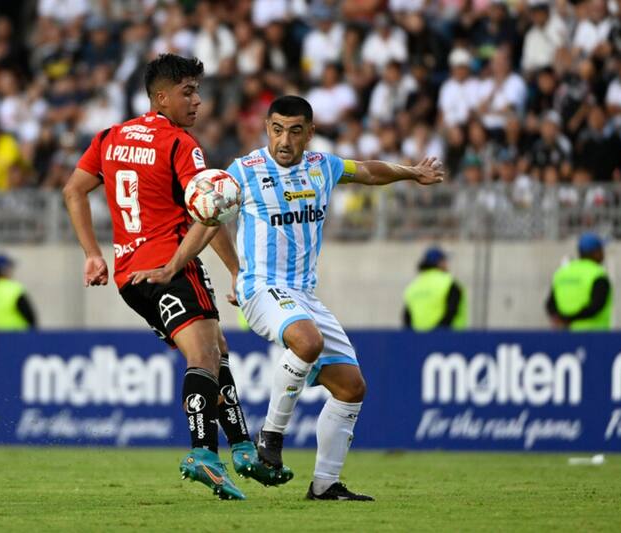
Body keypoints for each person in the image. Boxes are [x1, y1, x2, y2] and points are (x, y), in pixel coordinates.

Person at [132, 95, 444, 501]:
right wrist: (173, 267)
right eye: (277, 129)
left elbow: (367, 170)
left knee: (352, 388)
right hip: (260, 286)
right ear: (267, 128)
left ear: (309, 133)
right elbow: (207, 222)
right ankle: (271, 438)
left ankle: (325, 485)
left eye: (295, 131)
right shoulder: (243, 171)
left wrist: (410, 173)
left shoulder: (323, 167)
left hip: (304, 296)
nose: (285, 140)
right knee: (308, 341)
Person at [62, 54, 289, 501]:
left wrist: (92, 254)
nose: (198, 101)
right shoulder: (179, 144)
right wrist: (238, 270)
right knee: (204, 355)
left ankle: (242, 446)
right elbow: (211, 212)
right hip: (171, 265)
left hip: (131, 276)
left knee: (216, 349)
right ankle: (203, 454)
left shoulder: (110, 137)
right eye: (188, 92)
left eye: (198, 91)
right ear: (161, 97)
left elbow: (73, 190)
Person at [545, 232, 613, 330]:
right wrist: (571, 319)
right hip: (595, 337)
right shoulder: (597, 275)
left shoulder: (562, 273)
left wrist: (562, 320)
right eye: (601, 250)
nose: (603, 253)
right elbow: (597, 306)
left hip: (565, 335)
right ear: (595, 252)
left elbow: (550, 304)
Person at [402, 247, 467, 331]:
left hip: (418, 341)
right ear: (439, 263)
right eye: (445, 261)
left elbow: (407, 318)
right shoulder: (450, 283)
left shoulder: (413, 286)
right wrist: (435, 334)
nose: (447, 264)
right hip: (450, 339)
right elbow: (451, 312)